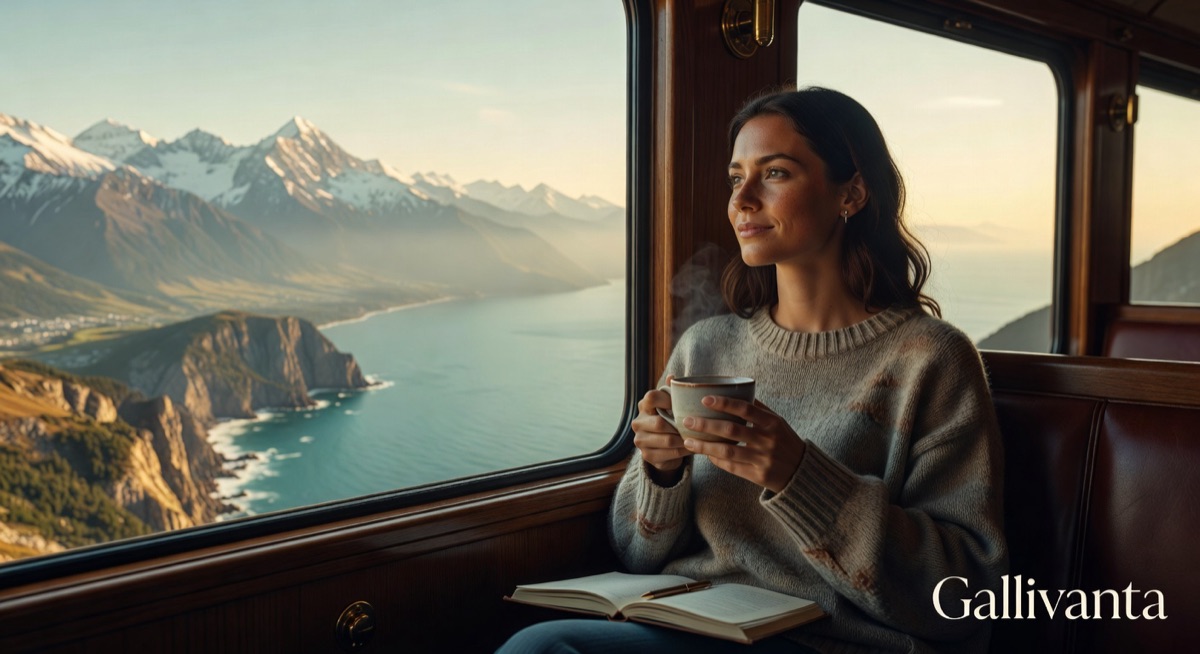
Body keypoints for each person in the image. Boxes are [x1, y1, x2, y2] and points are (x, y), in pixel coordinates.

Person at [497, 86, 1007, 654]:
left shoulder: (930, 360)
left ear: (853, 192)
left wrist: (797, 475)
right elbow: (636, 555)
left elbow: (967, 593)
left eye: (777, 174)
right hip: (688, 623)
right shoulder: (707, 348)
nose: (743, 200)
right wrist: (662, 474)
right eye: (736, 177)